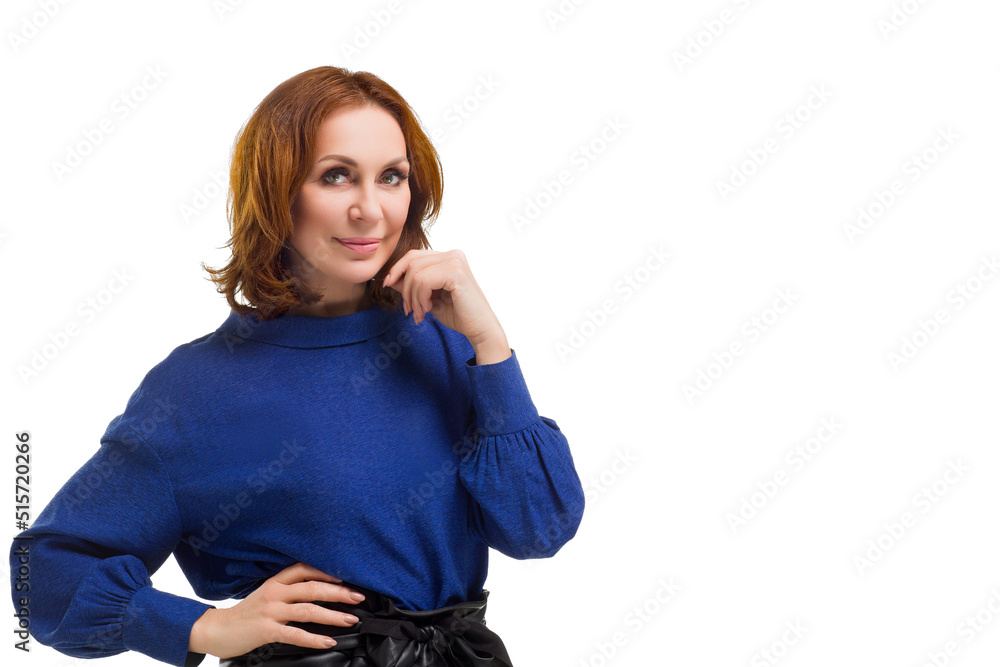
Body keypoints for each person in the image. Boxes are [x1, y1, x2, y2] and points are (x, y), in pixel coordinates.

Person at [9, 66, 586, 667]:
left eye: (392, 177)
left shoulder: (445, 343)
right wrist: (203, 626)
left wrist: (490, 343)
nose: (371, 210)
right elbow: (42, 575)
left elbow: (538, 529)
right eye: (336, 176)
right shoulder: (199, 388)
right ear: (277, 190)